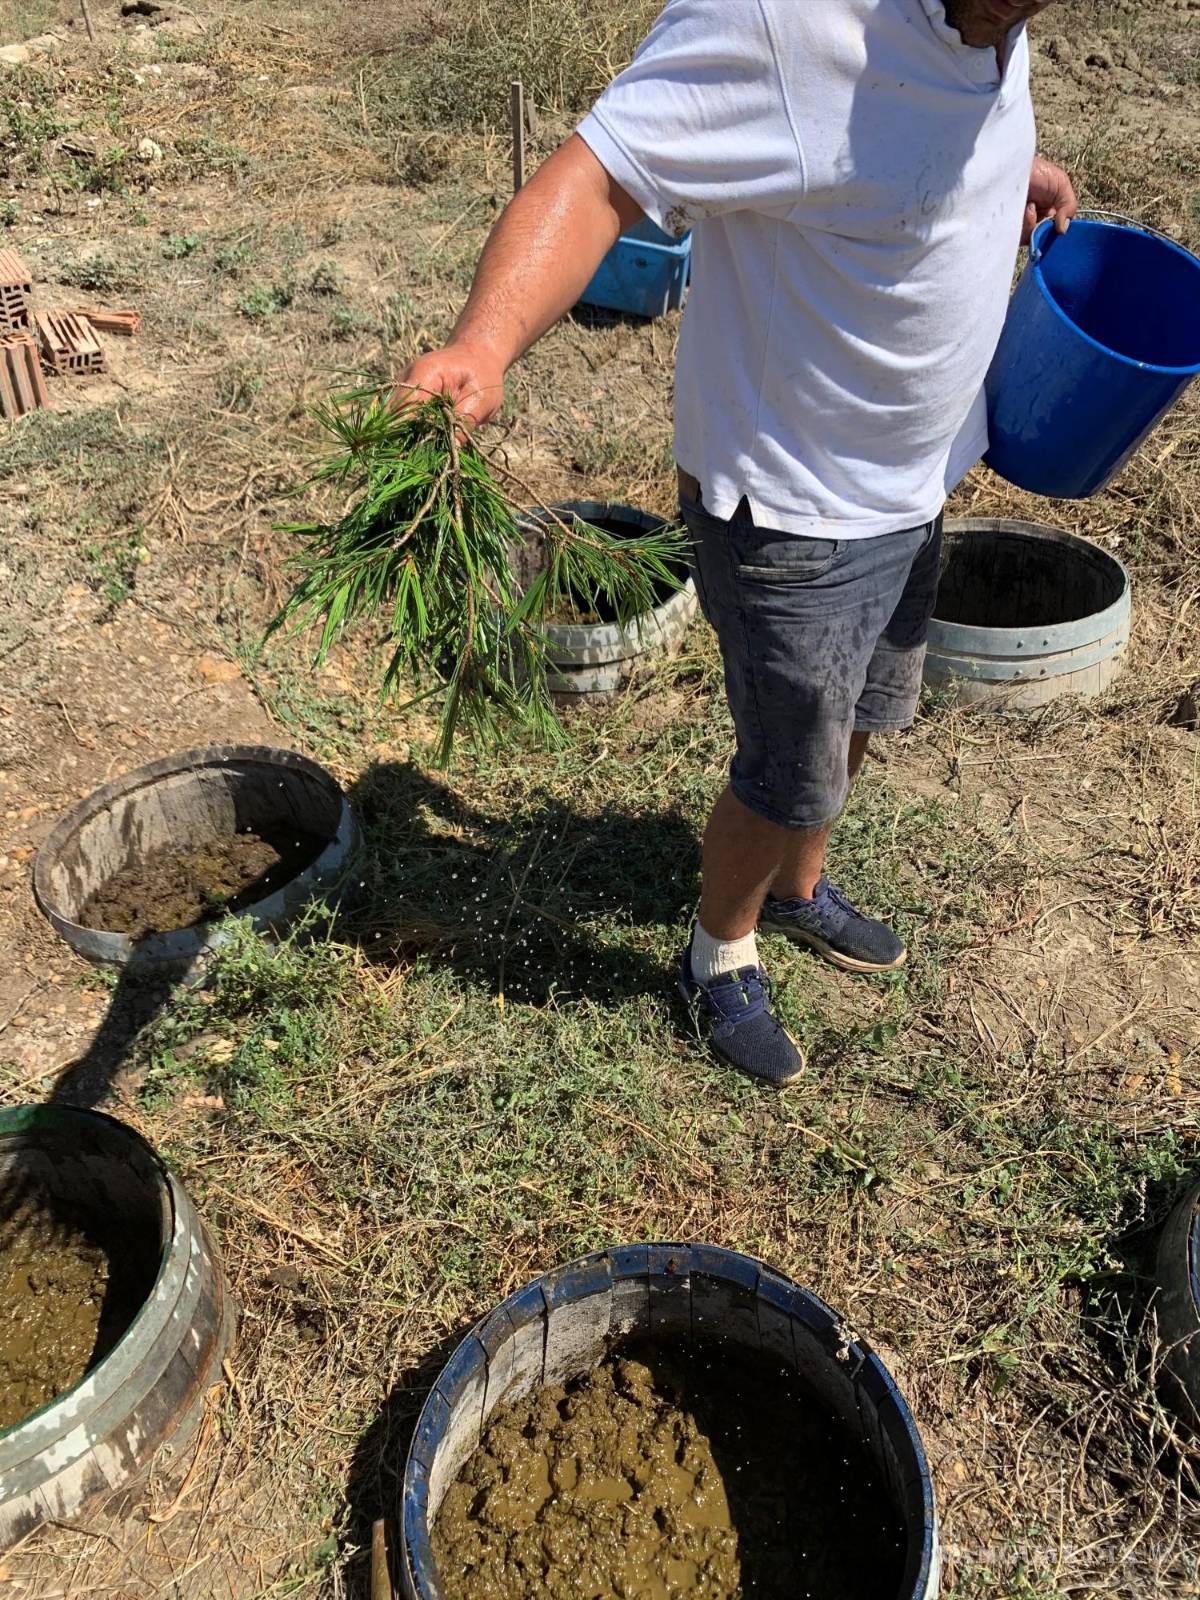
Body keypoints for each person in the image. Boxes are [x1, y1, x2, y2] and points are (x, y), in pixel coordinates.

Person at [396, 0, 1077, 1085]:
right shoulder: (783, 24)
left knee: (868, 712)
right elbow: (594, 177)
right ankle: (719, 950)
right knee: (785, 769)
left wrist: (1007, 170)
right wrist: (485, 342)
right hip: (795, 509)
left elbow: (925, 118)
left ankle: (800, 887)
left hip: (916, 477)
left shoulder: (993, 27)